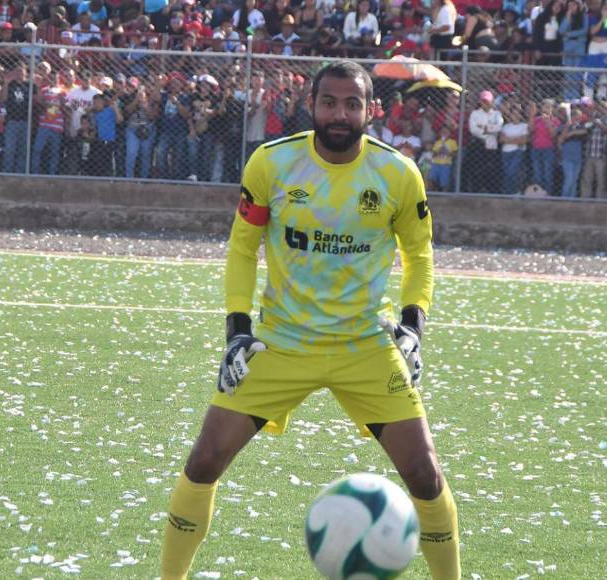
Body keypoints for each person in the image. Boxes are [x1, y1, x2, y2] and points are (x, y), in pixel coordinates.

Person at [160, 60, 461, 580]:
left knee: (423, 472)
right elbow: (241, 248)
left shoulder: (396, 173)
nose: (339, 113)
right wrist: (238, 333)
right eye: (329, 102)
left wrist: (413, 327)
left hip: (365, 345)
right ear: (311, 106)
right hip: (281, 343)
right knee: (205, 459)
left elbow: (420, 254)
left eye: (351, 104)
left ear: (371, 110)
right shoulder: (272, 164)